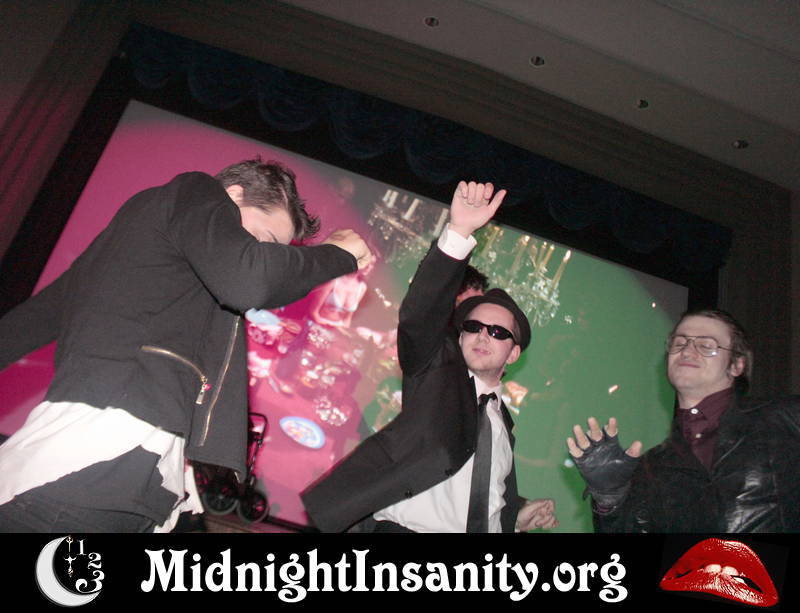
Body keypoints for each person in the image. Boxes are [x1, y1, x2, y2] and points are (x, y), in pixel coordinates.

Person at [0, 158, 371, 532]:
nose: (264, 252)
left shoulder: (150, 250)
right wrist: (336, 253)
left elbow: (35, 318)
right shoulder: (194, 190)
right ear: (233, 194)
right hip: (94, 458)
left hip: (116, 470)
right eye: (266, 239)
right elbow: (248, 281)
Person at [302, 180, 557, 533]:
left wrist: (514, 519)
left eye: (498, 332)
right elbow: (420, 314)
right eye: (473, 326)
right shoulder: (435, 375)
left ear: (513, 353)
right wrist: (459, 232)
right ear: (459, 335)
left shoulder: (501, 425)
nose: (483, 335)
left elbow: (478, 499)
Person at [567, 309, 800, 532]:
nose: (687, 352)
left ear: (737, 365)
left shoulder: (785, 418)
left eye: (706, 345)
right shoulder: (651, 465)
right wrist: (610, 499)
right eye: (679, 343)